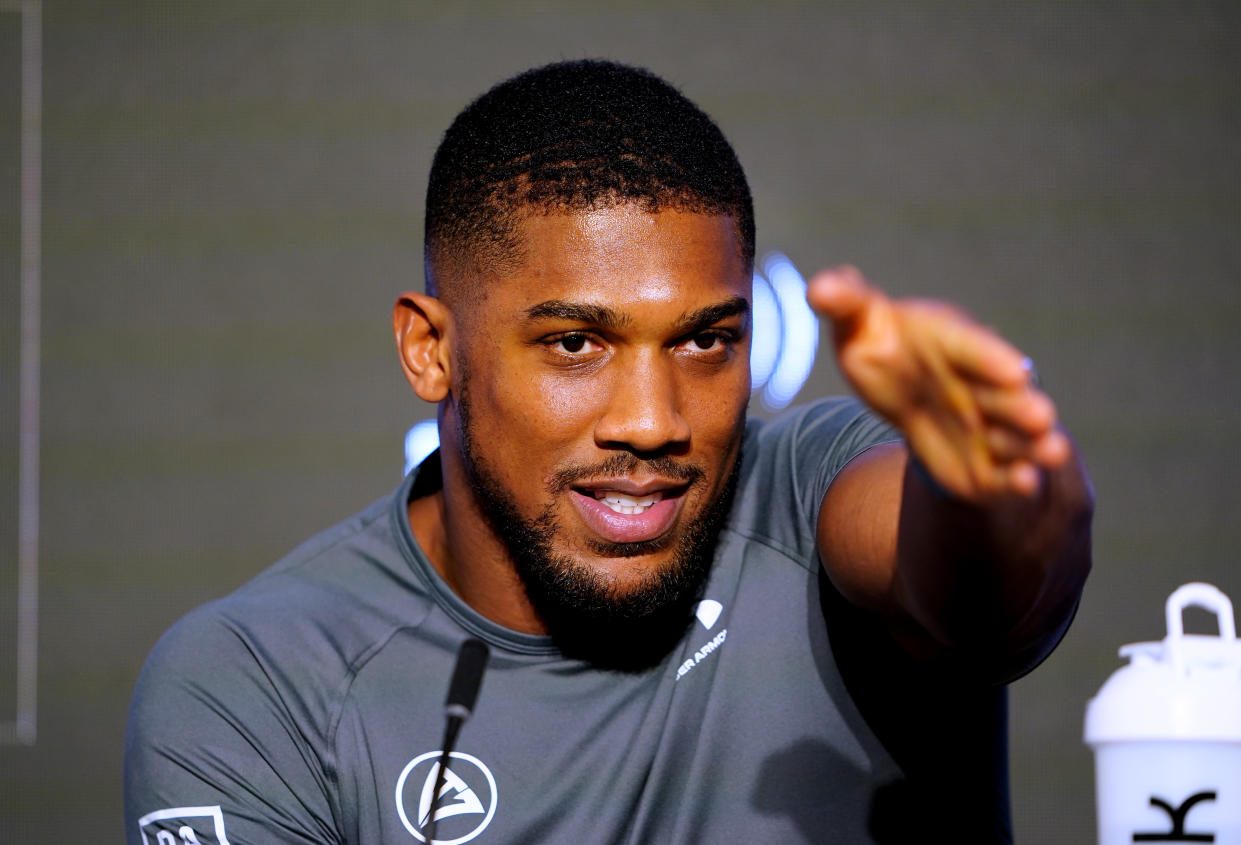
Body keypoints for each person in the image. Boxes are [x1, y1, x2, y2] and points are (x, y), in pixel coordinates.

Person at [124, 59, 1092, 844]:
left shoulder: (806, 492)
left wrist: (987, 494)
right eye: (575, 344)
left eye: (705, 339)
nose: (650, 419)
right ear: (431, 349)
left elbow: (987, 597)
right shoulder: (258, 680)